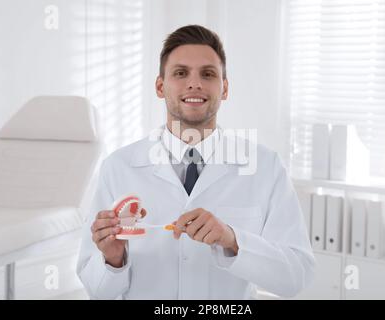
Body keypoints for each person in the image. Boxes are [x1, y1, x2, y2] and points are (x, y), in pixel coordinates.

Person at [77, 24, 315, 299]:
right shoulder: (118, 167)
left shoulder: (266, 167)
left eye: (208, 74)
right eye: (180, 73)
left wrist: (233, 240)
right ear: (160, 86)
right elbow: (96, 290)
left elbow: (296, 276)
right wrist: (113, 260)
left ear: (224, 88)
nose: (195, 83)